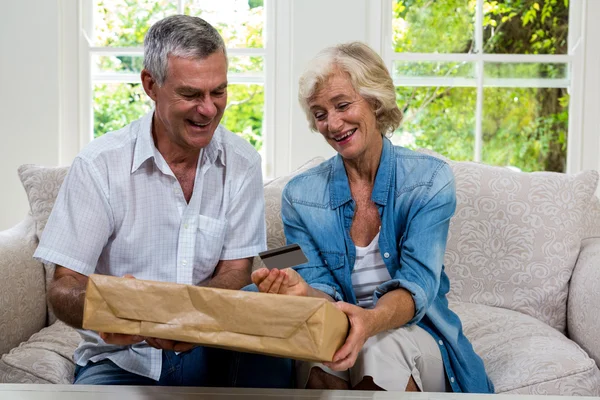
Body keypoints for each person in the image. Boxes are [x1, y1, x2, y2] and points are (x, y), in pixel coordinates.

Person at [34, 15, 291, 387]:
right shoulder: (99, 165)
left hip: (214, 348)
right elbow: (63, 286)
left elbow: (236, 271)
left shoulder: (242, 161)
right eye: (190, 94)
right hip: (122, 361)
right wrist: (112, 309)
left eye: (218, 91)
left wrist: (189, 316)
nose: (208, 109)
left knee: (273, 366)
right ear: (150, 85)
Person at [251, 42, 494, 393]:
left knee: (380, 349)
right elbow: (320, 288)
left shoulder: (428, 180)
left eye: (343, 105)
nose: (333, 124)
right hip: (337, 327)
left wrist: (368, 322)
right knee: (319, 353)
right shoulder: (300, 196)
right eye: (320, 114)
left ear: (375, 101)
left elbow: (418, 283)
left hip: (414, 335)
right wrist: (303, 291)